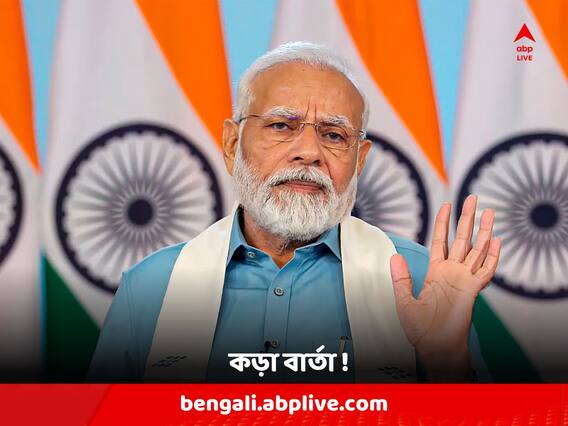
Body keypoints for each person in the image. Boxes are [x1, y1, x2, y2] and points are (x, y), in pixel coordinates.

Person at [88, 42, 500, 383]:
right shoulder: (151, 288)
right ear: (232, 144)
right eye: (281, 126)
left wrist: (447, 363)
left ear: (359, 160)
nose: (309, 152)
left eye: (334, 135)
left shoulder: (420, 279)